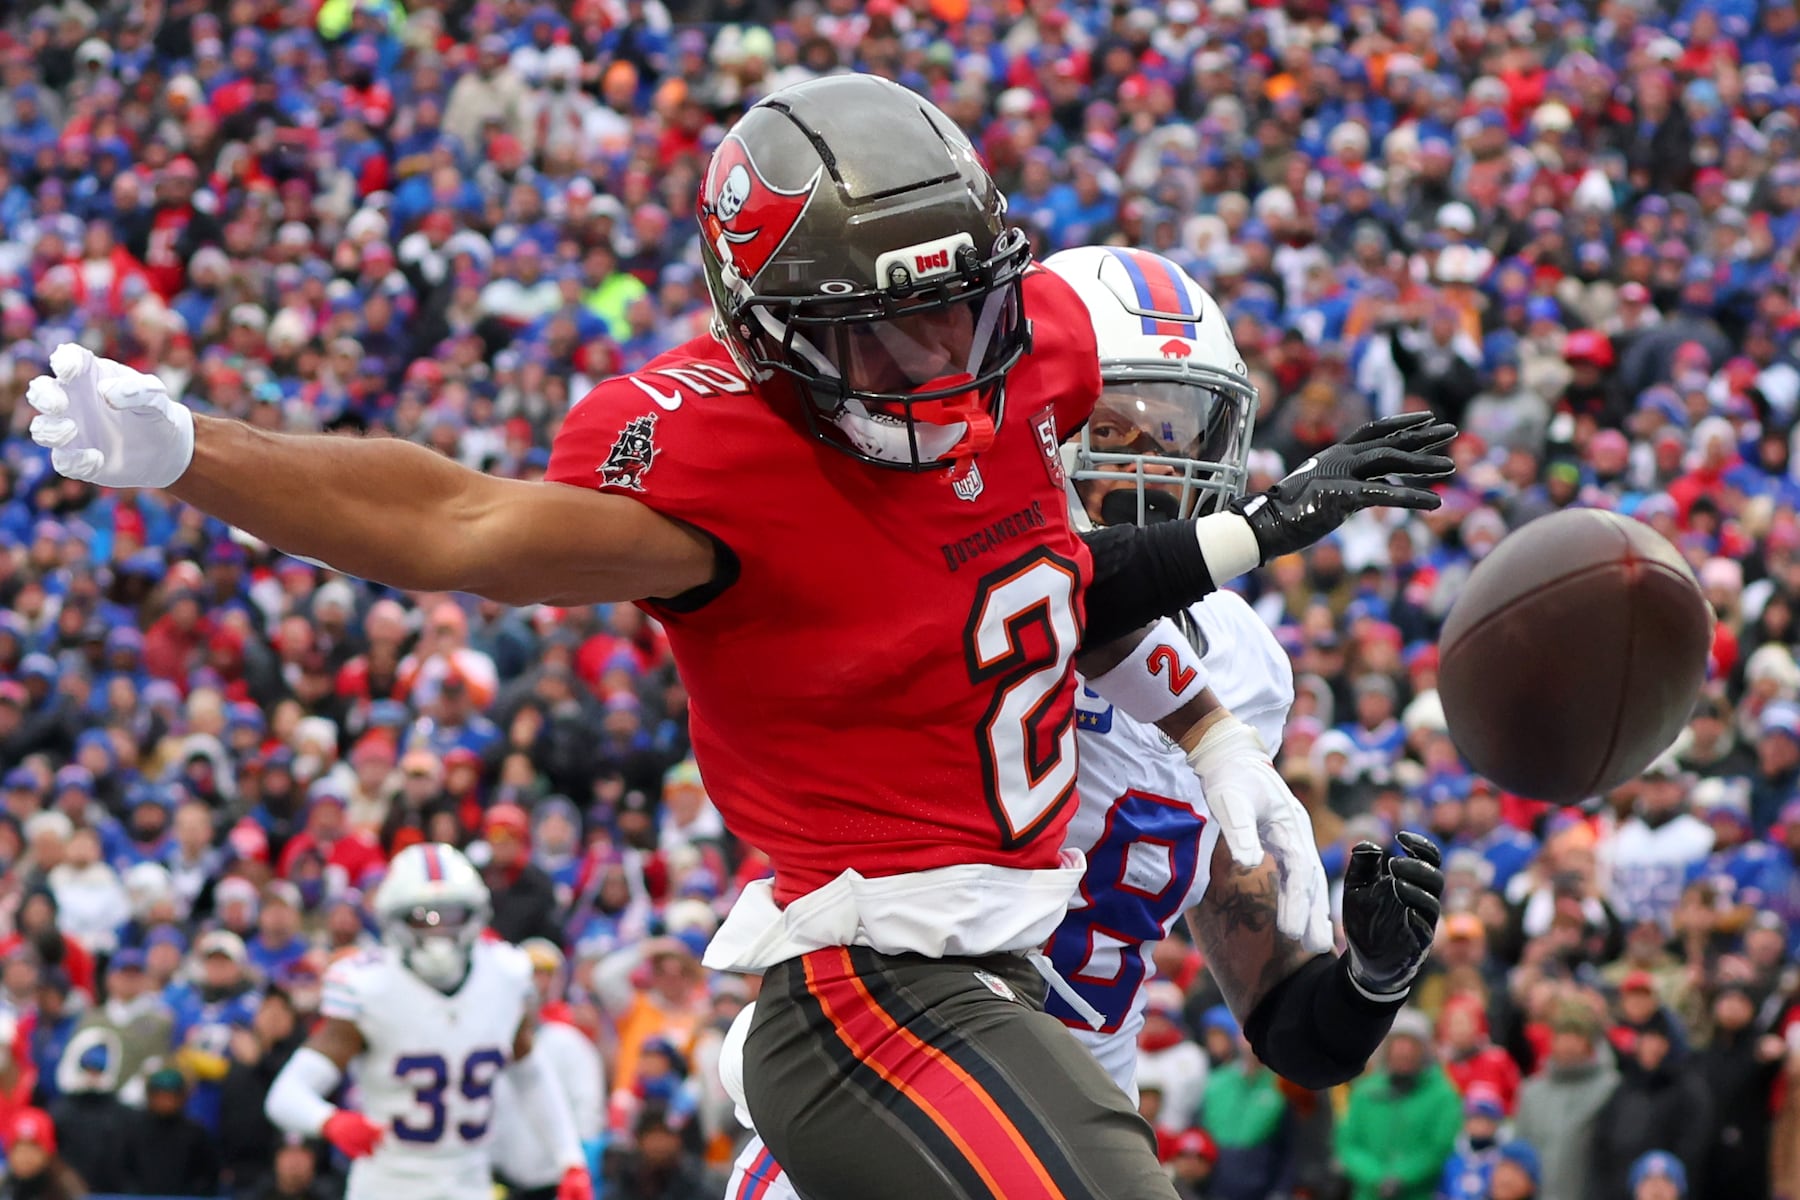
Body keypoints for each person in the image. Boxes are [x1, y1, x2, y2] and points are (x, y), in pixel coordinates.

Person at [32, 76, 1450, 1200]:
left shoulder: (1046, 363)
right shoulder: (736, 482)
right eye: (883, 334)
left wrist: (1212, 708)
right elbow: (452, 524)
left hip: (1008, 1006)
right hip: (878, 986)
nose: (942, 362)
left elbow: (1048, 583)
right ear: (773, 338)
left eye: (963, 307)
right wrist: (194, 454)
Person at [719, 250, 1447, 1197]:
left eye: (1182, 429)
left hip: (1072, 1131)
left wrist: (1372, 980)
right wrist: (1257, 529)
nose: (1156, 461)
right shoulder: (950, 560)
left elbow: (1287, 1023)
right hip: (898, 1098)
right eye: (1118, 425)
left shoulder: (1241, 663)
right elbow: (1059, 591)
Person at [262, 843, 592, 1200]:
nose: (438, 931)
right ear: (393, 918)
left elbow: (529, 1074)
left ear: (475, 915)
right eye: (422, 916)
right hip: (389, 1186)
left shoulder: (506, 976)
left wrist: (569, 1159)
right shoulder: (369, 987)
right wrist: (329, 1121)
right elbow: (286, 1095)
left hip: (471, 1184)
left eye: (450, 916)